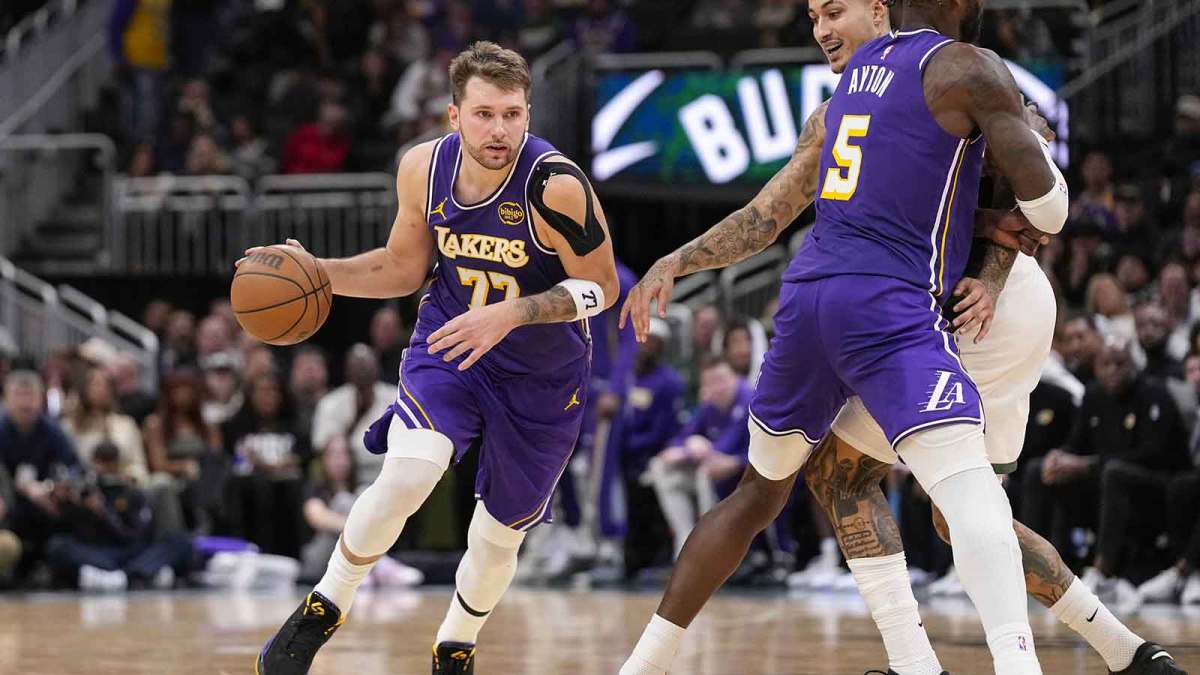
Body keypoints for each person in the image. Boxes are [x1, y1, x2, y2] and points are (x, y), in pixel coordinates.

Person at [616, 0, 1174, 673]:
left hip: (982, 308)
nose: (822, 31)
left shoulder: (960, 77)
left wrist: (992, 277)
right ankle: (1120, 649)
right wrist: (679, 257)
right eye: (813, 17)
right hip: (912, 304)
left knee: (896, 488)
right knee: (928, 502)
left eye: (835, 13)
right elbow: (766, 215)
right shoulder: (840, 108)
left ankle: (962, 661)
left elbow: (1030, 215)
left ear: (881, 13)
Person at [251, 41, 619, 674]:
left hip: (540, 369)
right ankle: (323, 606)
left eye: (512, 114)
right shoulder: (422, 168)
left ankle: (455, 646)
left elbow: (603, 288)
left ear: (528, 113)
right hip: (450, 342)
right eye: (484, 114)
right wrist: (319, 272)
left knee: (498, 537)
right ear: (454, 116)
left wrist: (512, 313)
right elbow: (402, 268)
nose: (499, 129)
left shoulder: (556, 186)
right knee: (409, 473)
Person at [647, 356, 751, 558]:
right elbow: (681, 438)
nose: (717, 387)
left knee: (706, 473)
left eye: (721, 380)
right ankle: (685, 540)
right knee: (659, 467)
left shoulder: (748, 399)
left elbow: (724, 448)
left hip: (747, 470)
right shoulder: (709, 406)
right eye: (710, 383)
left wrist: (690, 450)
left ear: (734, 378)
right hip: (714, 467)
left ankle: (709, 548)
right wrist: (686, 447)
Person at [300, 435, 423, 588]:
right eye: (334, 455)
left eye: (344, 454)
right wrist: (359, 526)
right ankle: (379, 566)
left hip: (354, 550)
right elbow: (318, 518)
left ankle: (366, 569)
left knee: (362, 495)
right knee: (345, 501)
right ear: (324, 460)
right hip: (323, 556)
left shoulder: (359, 487)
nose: (340, 461)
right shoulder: (315, 488)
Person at [311, 345, 394, 486]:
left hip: (388, 475)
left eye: (366, 368)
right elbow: (321, 449)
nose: (362, 373)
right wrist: (357, 416)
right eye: (357, 368)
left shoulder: (395, 398)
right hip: (347, 481)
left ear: (376, 369)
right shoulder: (330, 403)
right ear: (347, 372)